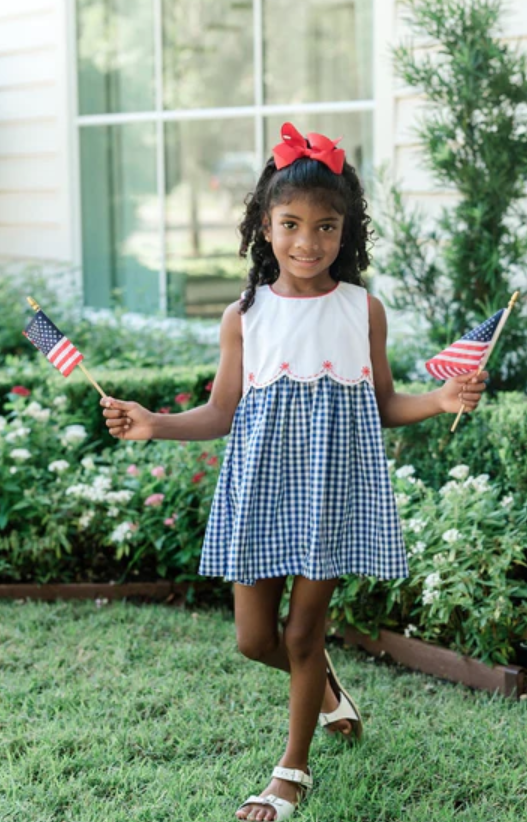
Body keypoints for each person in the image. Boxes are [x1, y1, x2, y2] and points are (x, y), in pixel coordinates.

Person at [101, 121, 488, 821]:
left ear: (347, 232)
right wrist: (155, 422)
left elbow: (381, 404)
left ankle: (291, 771)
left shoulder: (361, 309)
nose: (308, 242)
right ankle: (328, 689)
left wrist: (439, 400)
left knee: (303, 636)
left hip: (331, 495)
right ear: (264, 226)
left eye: (326, 227)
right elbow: (221, 411)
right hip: (260, 493)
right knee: (256, 641)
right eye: (291, 225)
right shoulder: (243, 315)